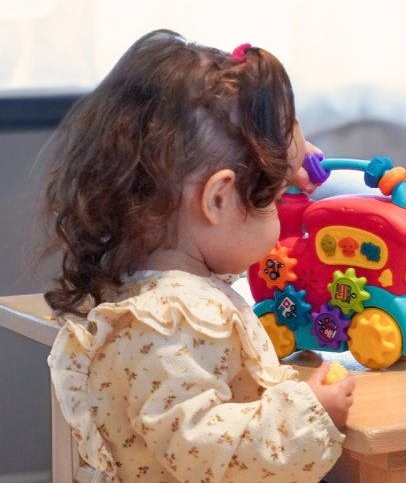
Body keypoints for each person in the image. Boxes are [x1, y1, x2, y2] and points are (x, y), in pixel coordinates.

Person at [43, 29, 355, 482]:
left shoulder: (154, 289)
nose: (278, 212)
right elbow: (201, 448)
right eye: (272, 199)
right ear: (217, 200)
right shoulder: (171, 322)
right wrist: (306, 413)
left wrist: (284, 156)